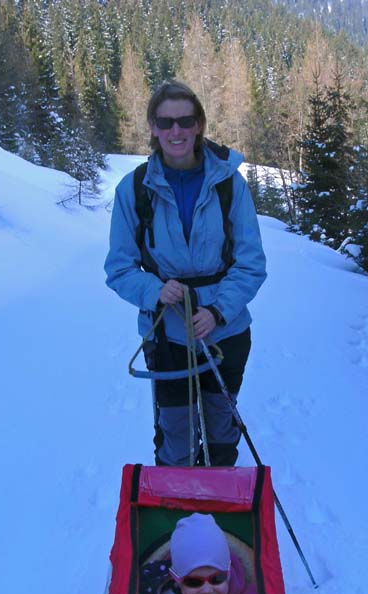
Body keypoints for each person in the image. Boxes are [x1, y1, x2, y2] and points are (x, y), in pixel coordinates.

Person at [105, 80, 266, 466]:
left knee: (221, 433)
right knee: (175, 438)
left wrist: (217, 312)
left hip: (225, 331)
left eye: (185, 120)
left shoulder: (229, 184)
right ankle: (179, 517)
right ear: (153, 128)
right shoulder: (134, 190)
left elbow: (251, 263)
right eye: (165, 122)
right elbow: (119, 268)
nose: (175, 131)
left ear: (199, 125)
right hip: (166, 334)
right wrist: (155, 290)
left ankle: (218, 515)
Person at [134, 513, 263, 594]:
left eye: (217, 579)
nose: (207, 590)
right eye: (194, 582)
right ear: (177, 580)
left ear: (228, 573)